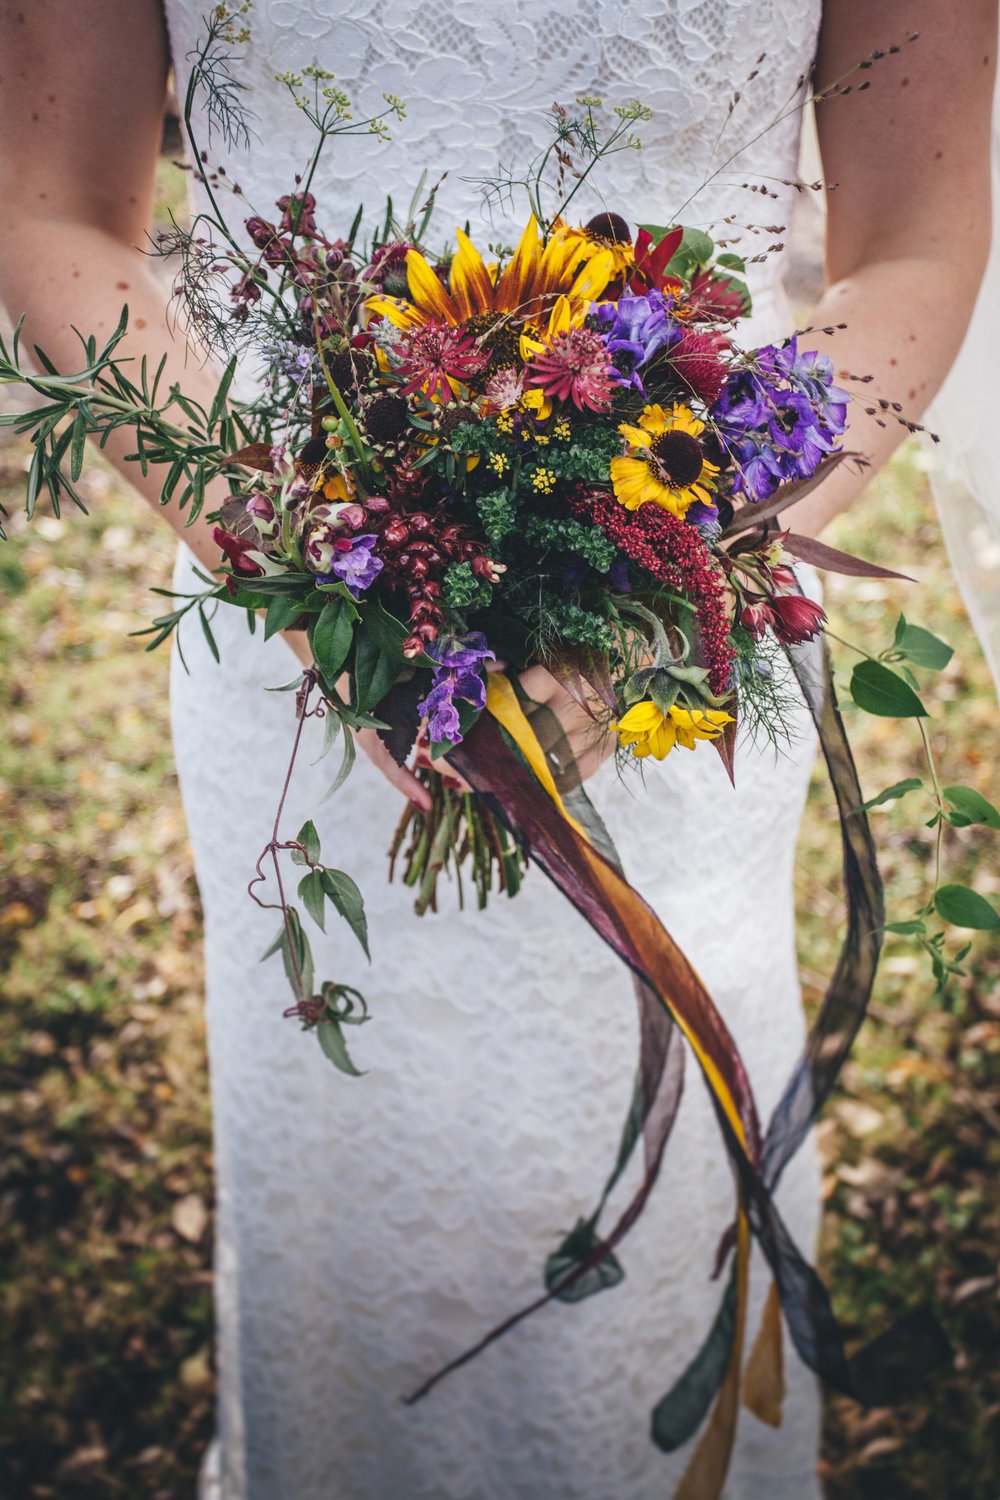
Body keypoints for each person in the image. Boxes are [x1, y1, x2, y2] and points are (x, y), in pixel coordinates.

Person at [0, 2, 994, 1496]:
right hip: (301, 606)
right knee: (347, 1166)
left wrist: (681, 566)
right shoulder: (304, 580)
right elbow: (54, 203)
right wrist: (307, 567)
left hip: (685, 615)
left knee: (651, 1185)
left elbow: (916, 233)